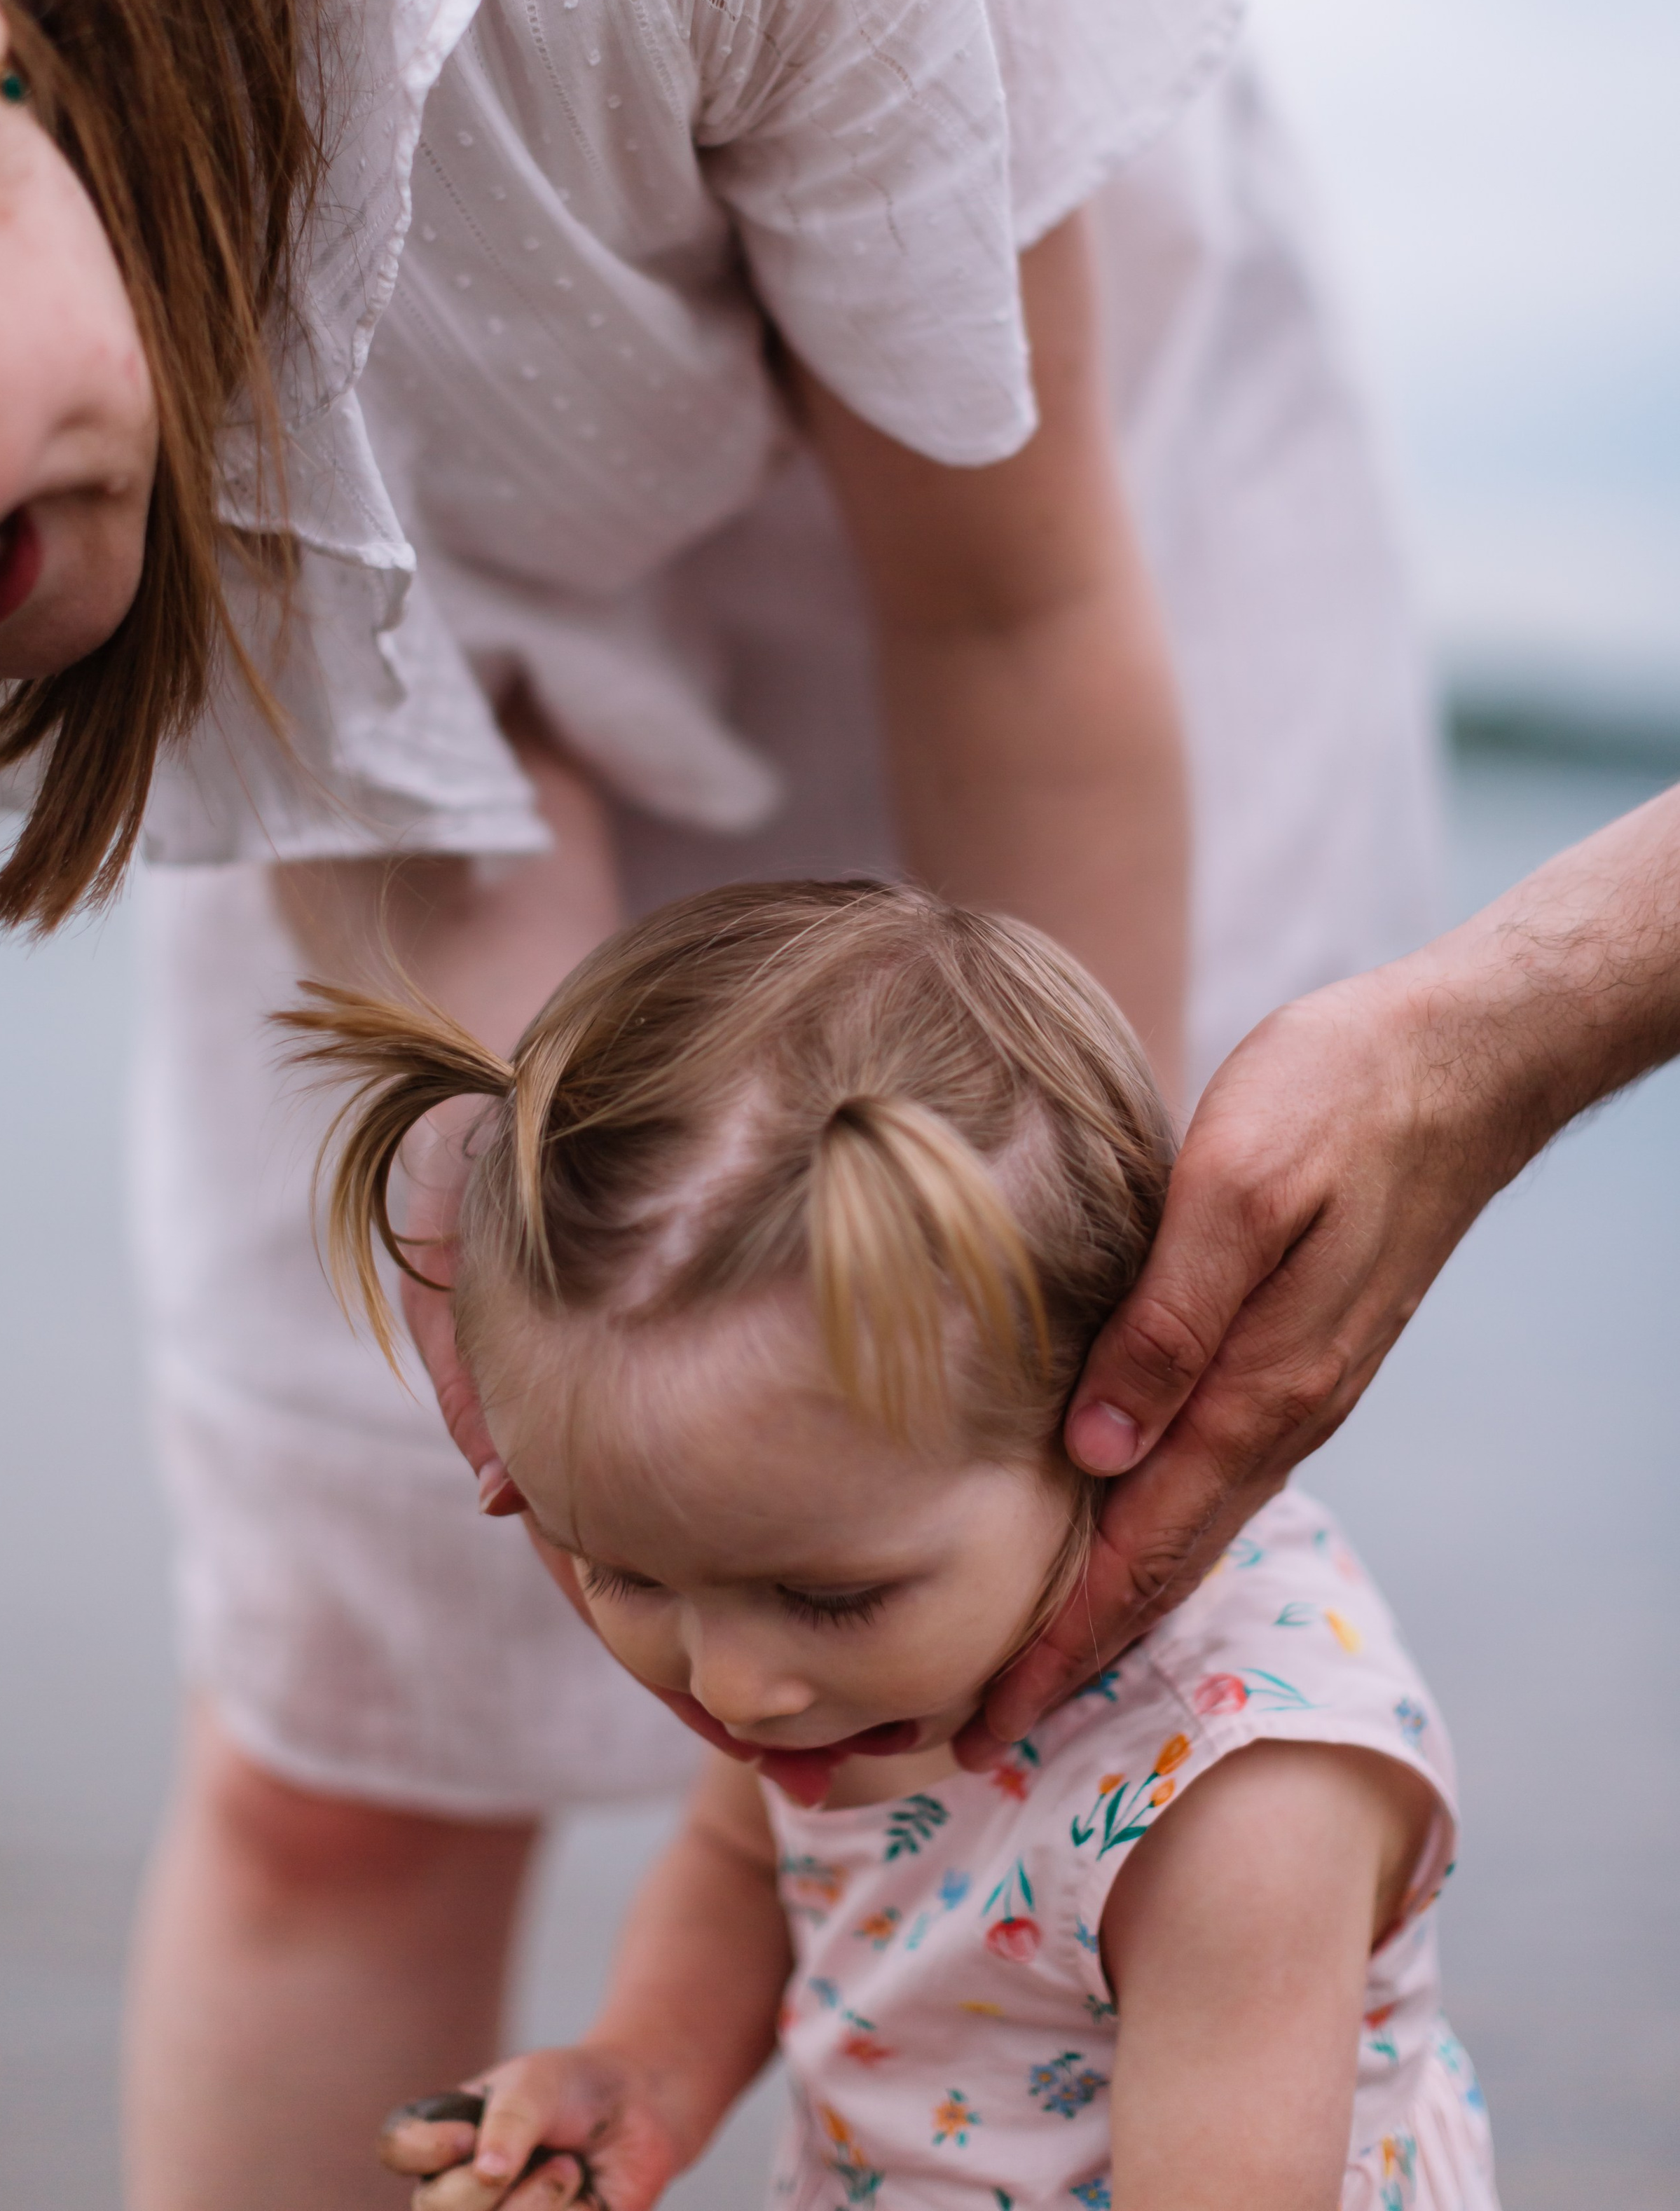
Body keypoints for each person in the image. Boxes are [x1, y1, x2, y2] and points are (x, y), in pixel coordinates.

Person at [0, 0, 1438, 2201]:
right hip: (352, 653)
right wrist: (549, 1275)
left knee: (991, 1578)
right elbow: (388, 791)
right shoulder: (19, 471)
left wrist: (1063, 1348)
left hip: (979, 555)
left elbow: (1016, 620)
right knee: (359, 1727)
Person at [296, 878, 1498, 2211]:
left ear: (1110, 1418)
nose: (734, 1689)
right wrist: (646, 2075)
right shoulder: (849, 1665)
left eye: (828, 1596)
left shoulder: (1231, 1811)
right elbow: (750, 1859)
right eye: (623, 1568)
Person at [965, 776, 1680, 1765]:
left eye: (829, 1598)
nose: (734, 1686)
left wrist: (1455, 1056)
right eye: (661, 1576)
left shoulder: (1233, 1779)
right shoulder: (828, 1602)